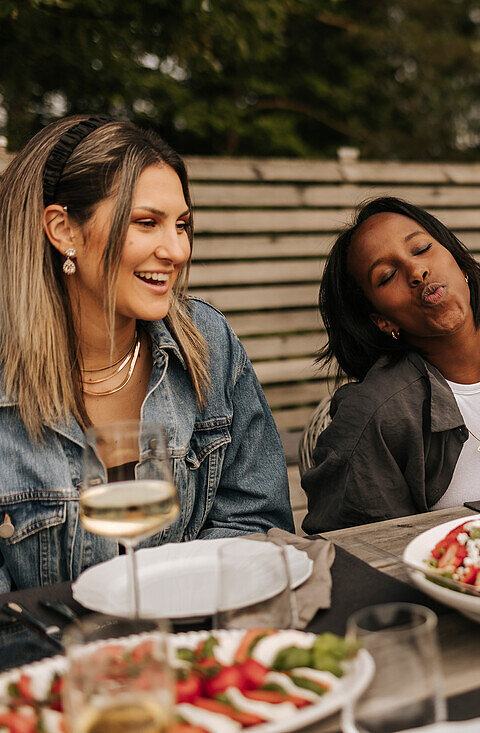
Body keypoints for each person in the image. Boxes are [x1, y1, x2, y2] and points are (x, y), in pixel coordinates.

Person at [0, 115, 293, 592]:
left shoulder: (207, 343)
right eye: (146, 223)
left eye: (182, 225)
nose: (176, 250)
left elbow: (258, 524)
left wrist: (170, 620)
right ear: (62, 229)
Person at [300, 198, 480, 533]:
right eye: (387, 275)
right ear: (381, 320)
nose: (417, 272)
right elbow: (359, 545)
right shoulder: (375, 415)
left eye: (421, 248)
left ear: (458, 260)